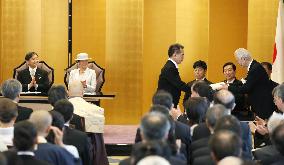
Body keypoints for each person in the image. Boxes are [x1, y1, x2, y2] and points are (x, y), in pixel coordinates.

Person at [222, 48, 275, 119]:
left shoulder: (254, 68)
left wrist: (228, 87)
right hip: (260, 105)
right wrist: (228, 85)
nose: (238, 62)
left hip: (263, 105)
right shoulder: (254, 66)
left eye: (238, 60)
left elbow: (246, 88)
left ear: (243, 59)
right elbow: (244, 82)